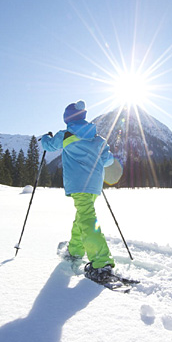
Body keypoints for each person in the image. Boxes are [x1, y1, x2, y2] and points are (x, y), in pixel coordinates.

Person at [41, 100, 117, 282]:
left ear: (67, 119)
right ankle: (75, 250)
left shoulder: (66, 134)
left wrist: (45, 137)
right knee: (83, 214)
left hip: (77, 183)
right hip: (94, 185)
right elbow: (108, 160)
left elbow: (49, 146)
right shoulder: (98, 139)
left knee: (87, 217)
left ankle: (101, 263)